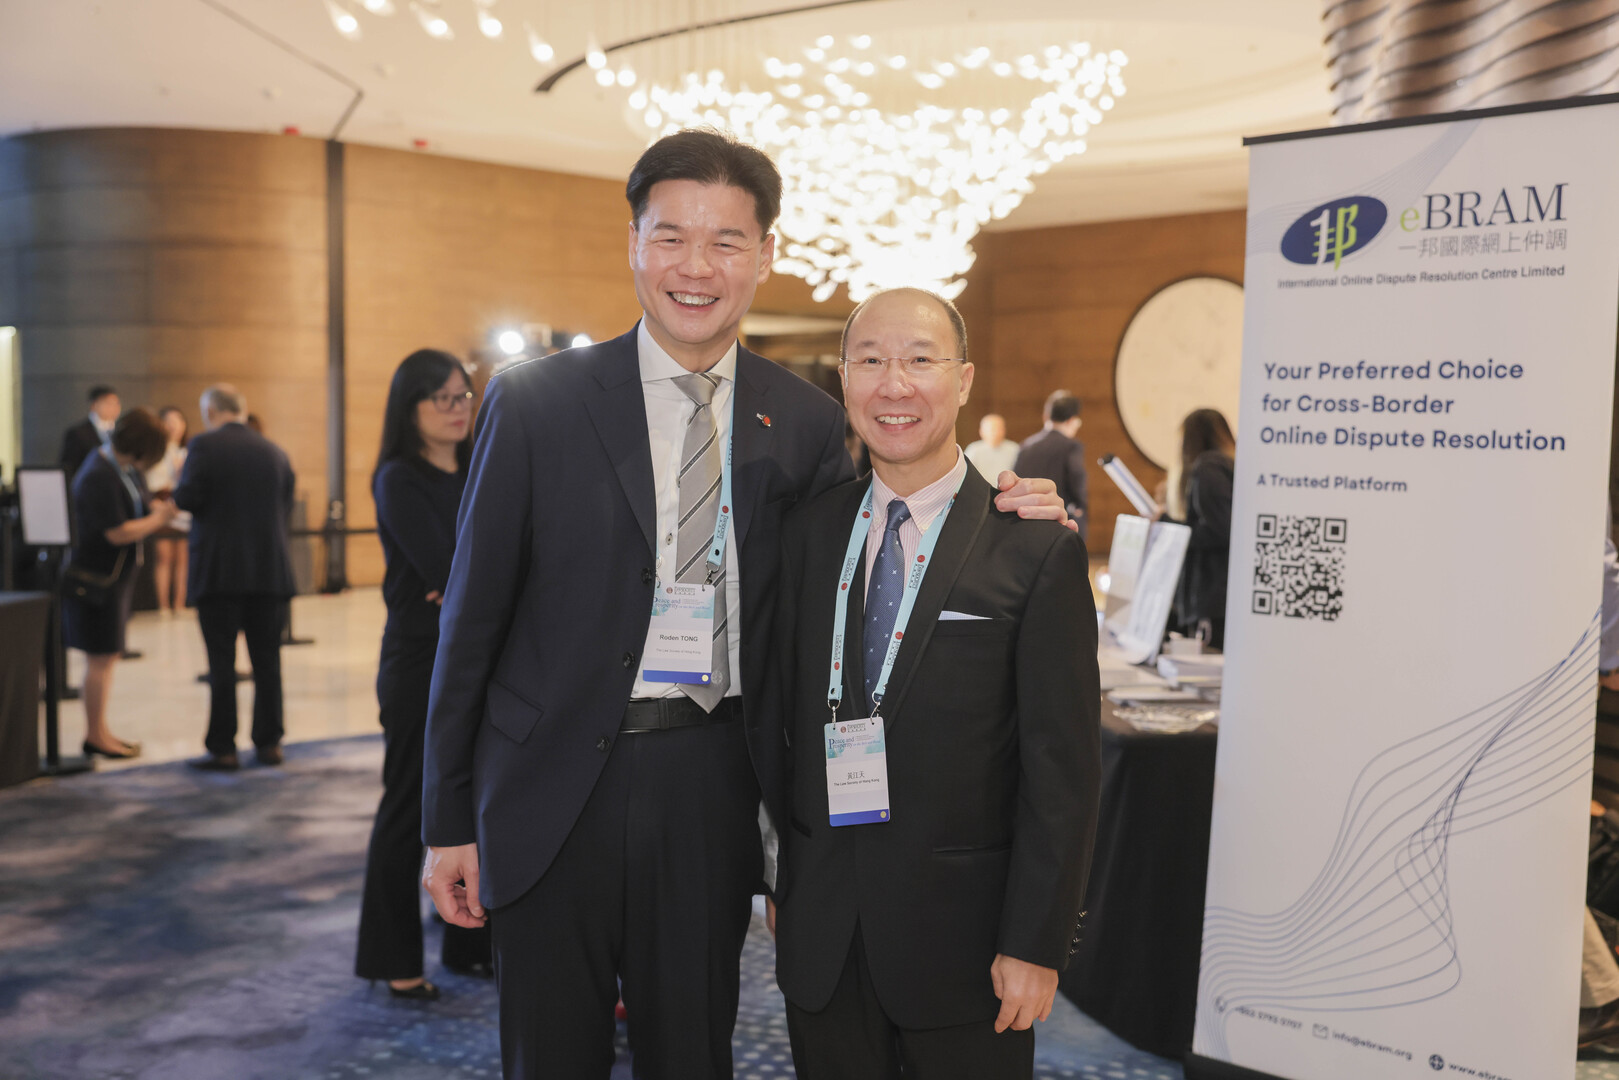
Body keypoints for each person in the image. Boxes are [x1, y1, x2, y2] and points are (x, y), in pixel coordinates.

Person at [419, 127, 1069, 1080]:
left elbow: (867, 554)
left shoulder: (804, 420)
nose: (697, 266)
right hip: (548, 786)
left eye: (725, 241)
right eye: (671, 236)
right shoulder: (535, 403)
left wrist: (1008, 504)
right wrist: (446, 817)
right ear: (633, 244)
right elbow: (468, 624)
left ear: (764, 255)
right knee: (546, 1054)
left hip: (711, 783)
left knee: (692, 1051)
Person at [767, 288, 1101, 1079]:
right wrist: (784, 880)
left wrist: (1035, 943)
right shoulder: (808, 533)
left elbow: (1061, 771)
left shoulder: (1033, 548)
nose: (894, 385)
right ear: (844, 380)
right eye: (870, 361)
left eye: (920, 360)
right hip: (824, 937)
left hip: (968, 950)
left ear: (963, 379)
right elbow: (779, 722)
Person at [356, 350, 492, 1001]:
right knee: (409, 807)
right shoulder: (398, 478)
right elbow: (449, 568)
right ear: (409, 408)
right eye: (442, 397)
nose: (457, 407)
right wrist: (469, 579)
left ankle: (469, 944)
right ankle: (392, 956)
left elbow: (489, 566)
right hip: (418, 666)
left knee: (479, 806)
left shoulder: (479, 467)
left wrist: (468, 582)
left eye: (463, 395)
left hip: (477, 658)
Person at [174, 385, 296, 771]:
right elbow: (286, 506)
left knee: (221, 665)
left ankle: (223, 748)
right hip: (269, 572)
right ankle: (269, 743)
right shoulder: (274, 451)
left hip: (220, 574)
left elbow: (187, 498)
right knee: (268, 663)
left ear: (211, 411)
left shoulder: (203, 446)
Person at [62, 407, 177, 759]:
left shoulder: (120, 468)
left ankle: (101, 731)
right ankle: (95, 735)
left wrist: (157, 512)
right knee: (99, 659)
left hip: (113, 580)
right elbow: (117, 532)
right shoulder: (99, 474)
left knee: (107, 657)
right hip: (97, 582)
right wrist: (159, 519)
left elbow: (139, 507)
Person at [1167, 408, 1235, 649]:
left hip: (1212, 594)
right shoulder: (1225, 466)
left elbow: (1221, 530)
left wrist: (1170, 525)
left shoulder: (1208, 468)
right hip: (1221, 593)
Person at [1013, 391, 1088, 542]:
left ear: (1046, 416)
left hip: (1025, 525)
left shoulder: (1026, 446)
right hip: (1060, 525)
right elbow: (1077, 484)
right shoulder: (1071, 447)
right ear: (1072, 420)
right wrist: (1080, 509)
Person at [144, 406, 191, 614]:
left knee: (183, 558)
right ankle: (163, 605)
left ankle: (180, 603)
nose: (173, 426)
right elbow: (149, 481)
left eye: (177, 421)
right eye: (168, 421)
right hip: (161, 503)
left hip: (183, 506)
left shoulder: (189, 450)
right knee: (163, 556)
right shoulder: (154, 452)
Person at [59, 385, 121, 480]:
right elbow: (69, 468)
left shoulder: (120, 431)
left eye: (116, 403)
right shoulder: (77, 433)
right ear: (94, 405)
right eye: (108, 403)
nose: (114, 408)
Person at [965, 413, 1019, 483]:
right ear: (981, 431)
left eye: (999, 429)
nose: (996, 433)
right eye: (992, 429)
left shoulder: (1014, 449)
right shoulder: (974, 449)